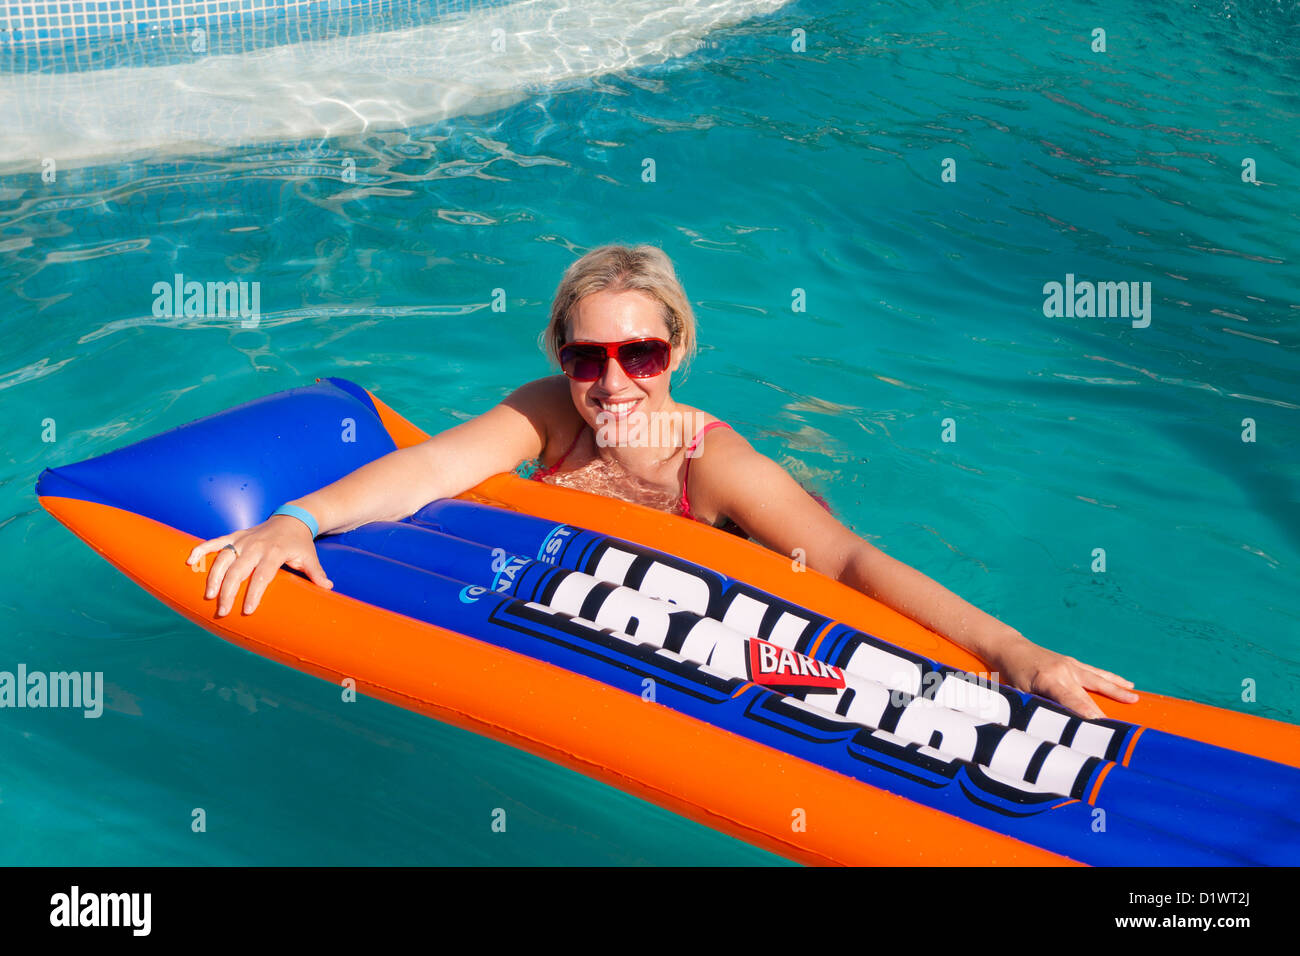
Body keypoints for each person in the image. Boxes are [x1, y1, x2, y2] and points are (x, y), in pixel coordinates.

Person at [187, 243, 1139, 719]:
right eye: (586, 356)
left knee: (802, 500)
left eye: (640, 353)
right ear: (559, 356)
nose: (612, 383)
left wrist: (1011, 649)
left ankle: (820, 428)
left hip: (723, 533)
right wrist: (296, 520)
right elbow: (428, 468)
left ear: (677, 347)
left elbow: (847, 560)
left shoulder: (709, 465)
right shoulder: (549, 414)